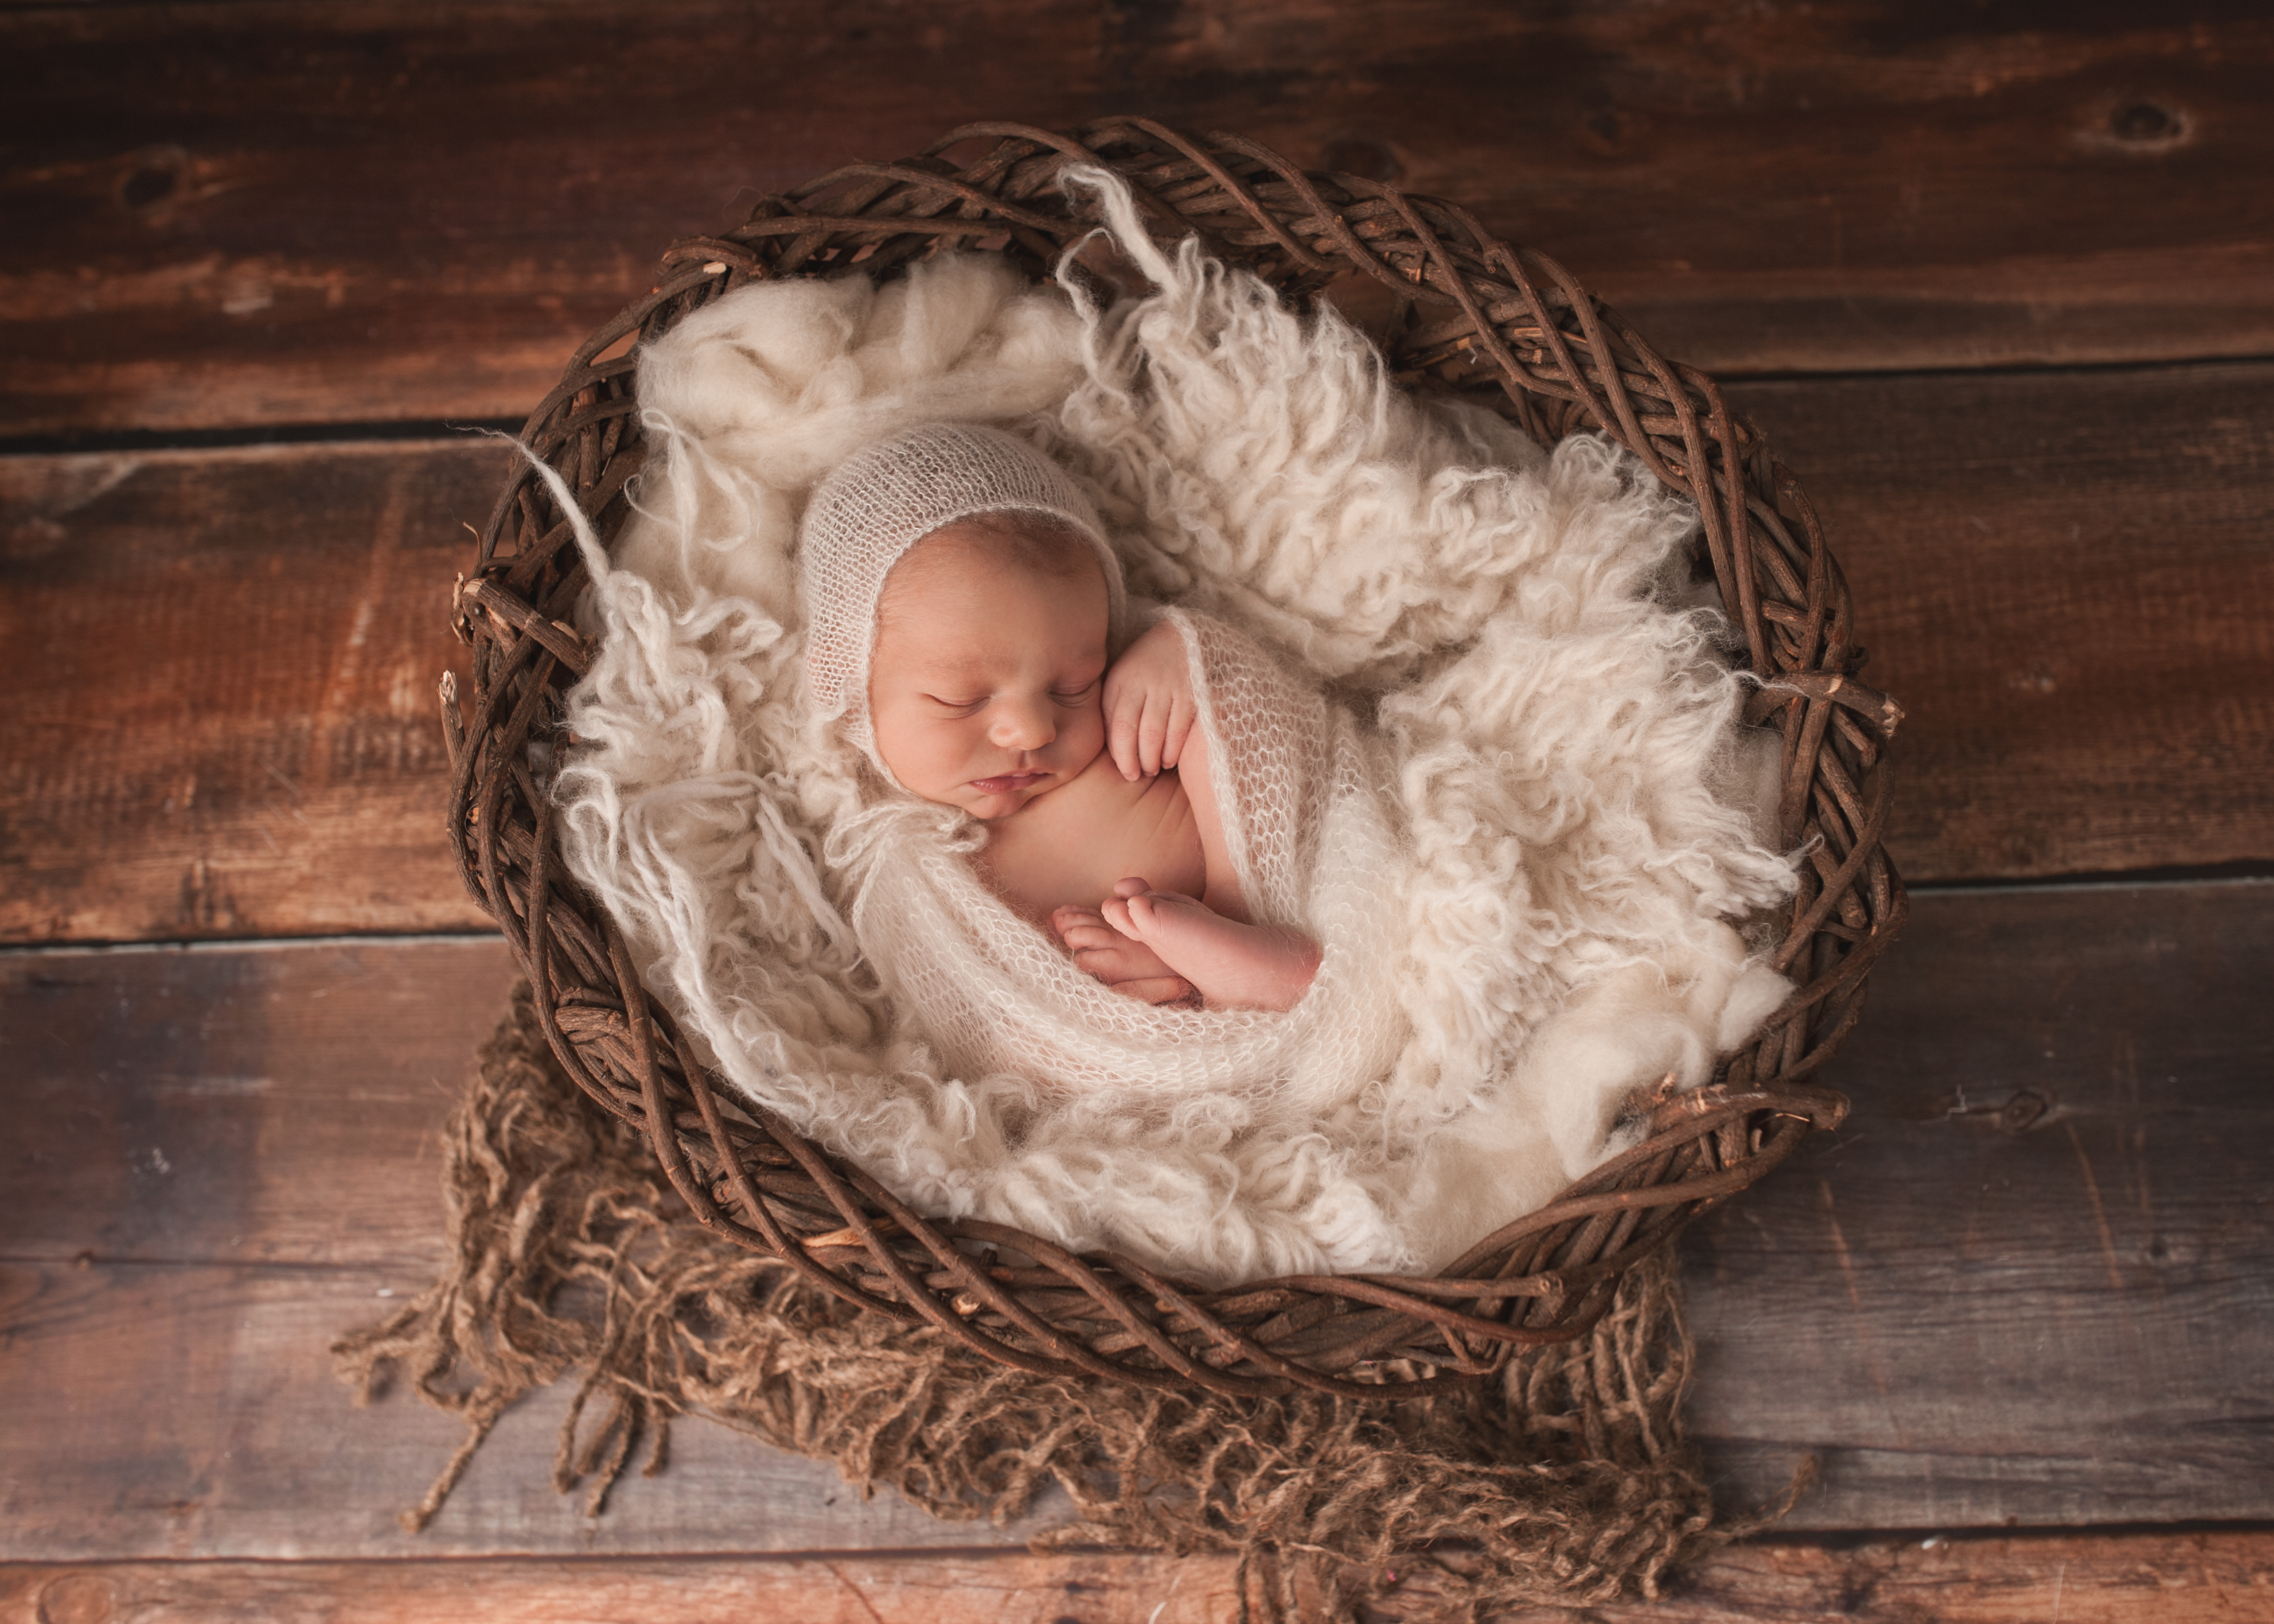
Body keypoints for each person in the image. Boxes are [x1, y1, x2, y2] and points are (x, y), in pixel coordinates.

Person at [798, 421, 1321, 1012]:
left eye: (1072, 685)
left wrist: (1185, 653)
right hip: (1137, 1020)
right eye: (962, 700)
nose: (1033, 731)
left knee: (1215, 698)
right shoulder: (900, 864)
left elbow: (1262, 712)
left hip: (1273, 910)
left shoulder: (1126, 709)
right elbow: (964, 1016)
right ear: (844, 685)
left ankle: (1244, 927)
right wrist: (1153, 980)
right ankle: (1222, 982)